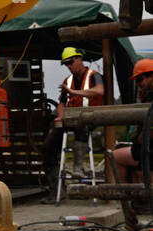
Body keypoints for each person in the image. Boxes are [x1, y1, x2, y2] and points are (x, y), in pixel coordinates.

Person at [42, 47, 104, 197]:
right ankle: (56, 188)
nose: (69, 66)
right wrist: (60, 116)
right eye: (66, 64)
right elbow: (62, 103)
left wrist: (74, 92)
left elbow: (100, 91)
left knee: (81, 127)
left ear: (79, 59)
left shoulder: (94, 76)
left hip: (91, 117)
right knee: (48, 146)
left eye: (70, 62)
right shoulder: (67, 81)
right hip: (71, 119)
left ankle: (78, 167)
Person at [112, 59, 153, 184]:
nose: (138, 84)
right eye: (136, 81)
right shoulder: (148, 96)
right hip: (145, 148)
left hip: (149, 149)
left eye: (140, 79)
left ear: (151, 76)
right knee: (117, 156)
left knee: (116, 157)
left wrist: (143, 136)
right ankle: (132, 197)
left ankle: (126, 195)